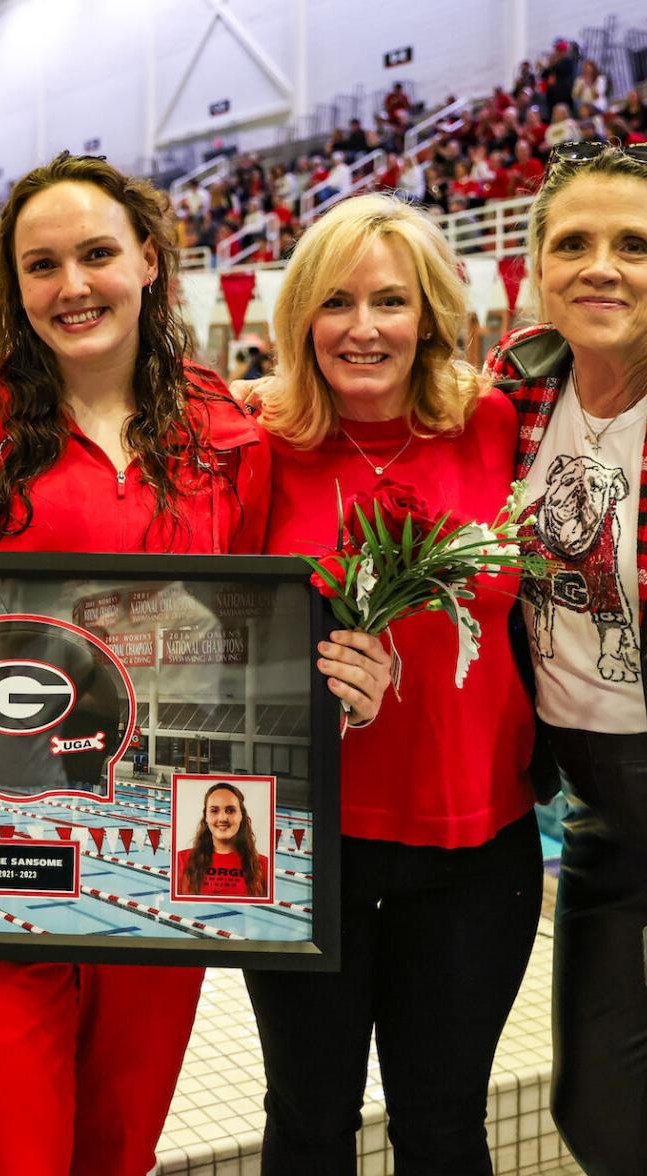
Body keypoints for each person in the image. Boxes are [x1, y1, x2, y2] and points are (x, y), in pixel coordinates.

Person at [0, 151, 390, 1176]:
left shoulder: (227, 436)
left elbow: (243, 649)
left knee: (118, 1148)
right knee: (7, 1153)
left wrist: (333, 690)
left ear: (149, 263)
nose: (72, 286)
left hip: (159, 863)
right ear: (12, 287)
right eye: (42, 266)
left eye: (95, 255)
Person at [240, 193, 543, 1174]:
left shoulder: (490, 421)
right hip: (301, 851)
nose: (363, 328)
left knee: (446, 1128)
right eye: (335, 303)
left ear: (431, 314)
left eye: (390, 301)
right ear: (300, 320)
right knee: (309, 1122)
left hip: (474, 849)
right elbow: (201, 625)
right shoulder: (258, 441)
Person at [484, 140, 647, 1176]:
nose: (603, 266)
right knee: (598, 1108)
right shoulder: (519, 388)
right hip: (598, 805)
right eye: (574, 242)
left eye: (635, 244)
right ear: (538, 266)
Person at [176, 782, 268, 899]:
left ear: (241, 816)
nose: (223, 818)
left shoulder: (262, 865)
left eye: (230, 810)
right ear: (206, 817)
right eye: (214, 811)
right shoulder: (182, 860)